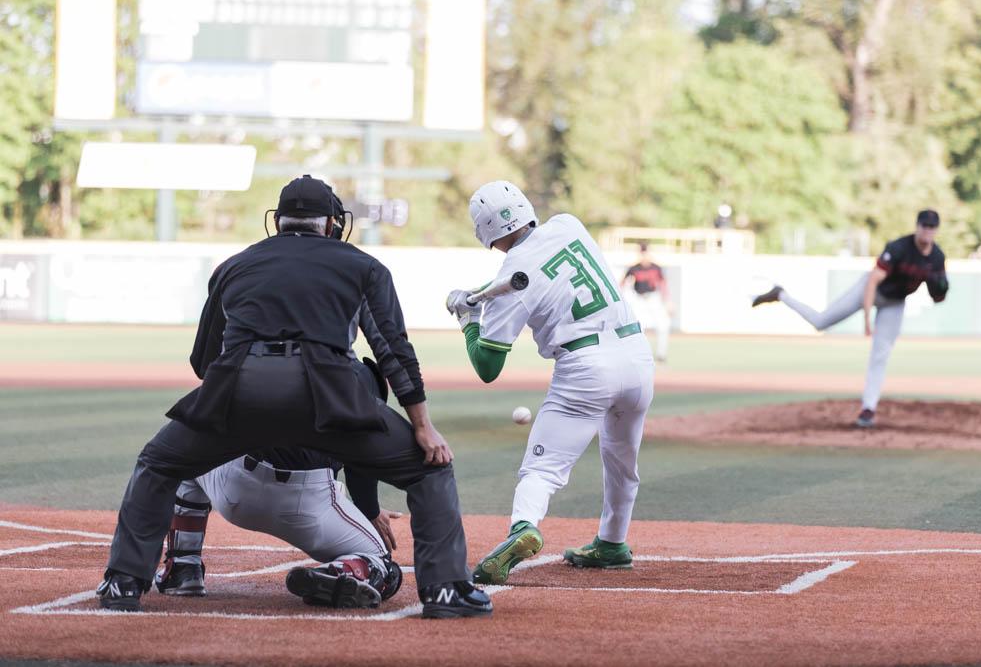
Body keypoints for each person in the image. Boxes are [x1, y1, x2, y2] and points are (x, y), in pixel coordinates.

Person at [96, 175, 490, 619]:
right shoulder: (363, 267)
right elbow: (393, 351)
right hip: (330, 398)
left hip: (241, 390)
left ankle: (125, 581)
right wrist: (423, 426)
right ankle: (446, 592)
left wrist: (237, 413)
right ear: (330, 225)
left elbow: (205, 361)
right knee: (429, 470)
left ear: (278, 223)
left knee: (159, 462)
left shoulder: (234, 266)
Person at [445, 181, 655, 585]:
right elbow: (543, 274)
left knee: (542, 469)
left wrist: (469, 321)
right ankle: (612, 544)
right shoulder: (568, 224)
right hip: (636, 356)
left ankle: (523, 527)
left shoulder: (512, 275)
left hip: (586, 367)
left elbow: (487, 365)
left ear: (485, 231)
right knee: (622, 460)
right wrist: (477, 296)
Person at [752, 208, 949, 428]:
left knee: (880, 353)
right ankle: (781, 294)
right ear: (917, 226)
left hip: (895, 303)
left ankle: (868, 409)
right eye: (924, 225)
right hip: (870, 290)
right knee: (821, 321)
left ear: (936, 230)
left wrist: (939, 288)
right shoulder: (899, 247)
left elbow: (938, 296)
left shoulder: (937, 257)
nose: (928, 230)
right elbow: (873, 281)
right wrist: (867, 318)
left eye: (932, 227)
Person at [155, 444, 405, 608]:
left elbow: (204, 371)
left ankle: (183, 568)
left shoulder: (241, 360)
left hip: (236, 488)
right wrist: (369, 510)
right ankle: (340, 572)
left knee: (186, 452)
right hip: (309, 500)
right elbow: (362, 451)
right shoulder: (348, 370)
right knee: (383, 564)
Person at [621, 242, 672, 362]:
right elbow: (622, 283)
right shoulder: (634, 268)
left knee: (664, 325)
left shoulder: (656, 267)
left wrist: (668, 301)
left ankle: (661, 354)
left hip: (654, 298)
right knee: (639, 328)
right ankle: (640, 354)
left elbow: (663, 284)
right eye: (642, 253)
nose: (644, 256)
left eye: (646, 253)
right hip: (639, 299)